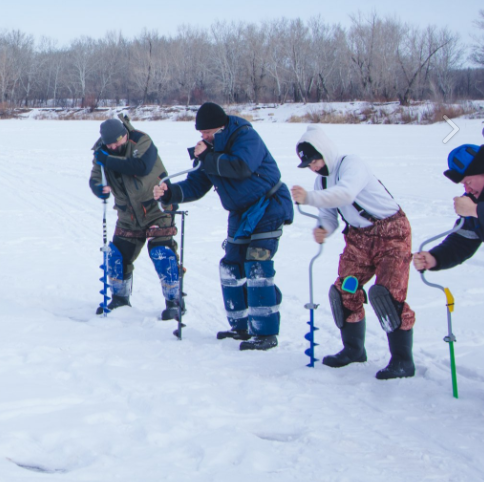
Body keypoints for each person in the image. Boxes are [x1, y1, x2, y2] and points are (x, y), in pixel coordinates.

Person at [153, 103, 293, 351]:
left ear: (223, 126)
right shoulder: (211, 151)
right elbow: (196, 186)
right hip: (240, 214)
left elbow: (241, 167)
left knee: (257, 265)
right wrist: (169, 193)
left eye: (208, 132)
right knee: (230, 266)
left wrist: (206, 156)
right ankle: (240, 327)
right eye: (202, 133)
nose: (204, 137)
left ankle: (265, 333)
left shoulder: (246, 136)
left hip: (269, 206)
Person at [292, 125, 415, 379]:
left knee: (388, 295)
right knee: (344, 290)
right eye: (309, 164)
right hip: (359, 239)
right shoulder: (321, 180)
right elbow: (329, 214)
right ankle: (353, 350)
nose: (313, 167)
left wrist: (311, 197)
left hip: (391, 232)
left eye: (314, 160)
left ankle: (403, 361)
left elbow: (345, 193)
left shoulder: (352, 165)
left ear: (325, 152)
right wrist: (324, 228)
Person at [89, 115, 181, 320]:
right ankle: (119, 299)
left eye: (118, 142)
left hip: (157, 208)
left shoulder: (141, 140)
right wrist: (99, 189)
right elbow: (95, 177)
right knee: (116, 256)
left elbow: (140, 167)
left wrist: (109, 160)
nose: (114, 147)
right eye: (110, 144)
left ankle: (174, 301)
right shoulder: (101, 152)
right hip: (127, 213)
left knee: (162, 254)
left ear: (125, 135)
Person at [413, 144, 484, 273]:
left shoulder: (474, 207)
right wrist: (435, 258)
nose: (467, 190)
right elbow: (462, 242)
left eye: (468, 182)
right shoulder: (473, 200)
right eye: (463, 185)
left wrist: (475, 210)